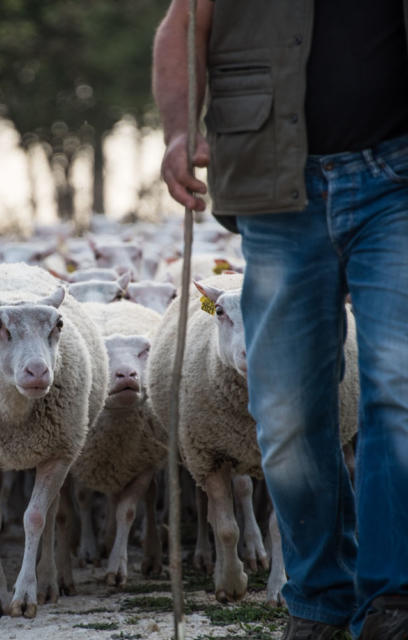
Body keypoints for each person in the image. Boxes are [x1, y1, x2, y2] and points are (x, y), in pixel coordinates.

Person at [153, 1, 408, 638]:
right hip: (274, 185)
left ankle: (392, 598)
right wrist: (179, 134)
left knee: (398, 387)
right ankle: (320, 597)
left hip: (397, 180)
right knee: (287, 411)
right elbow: (186, 23)